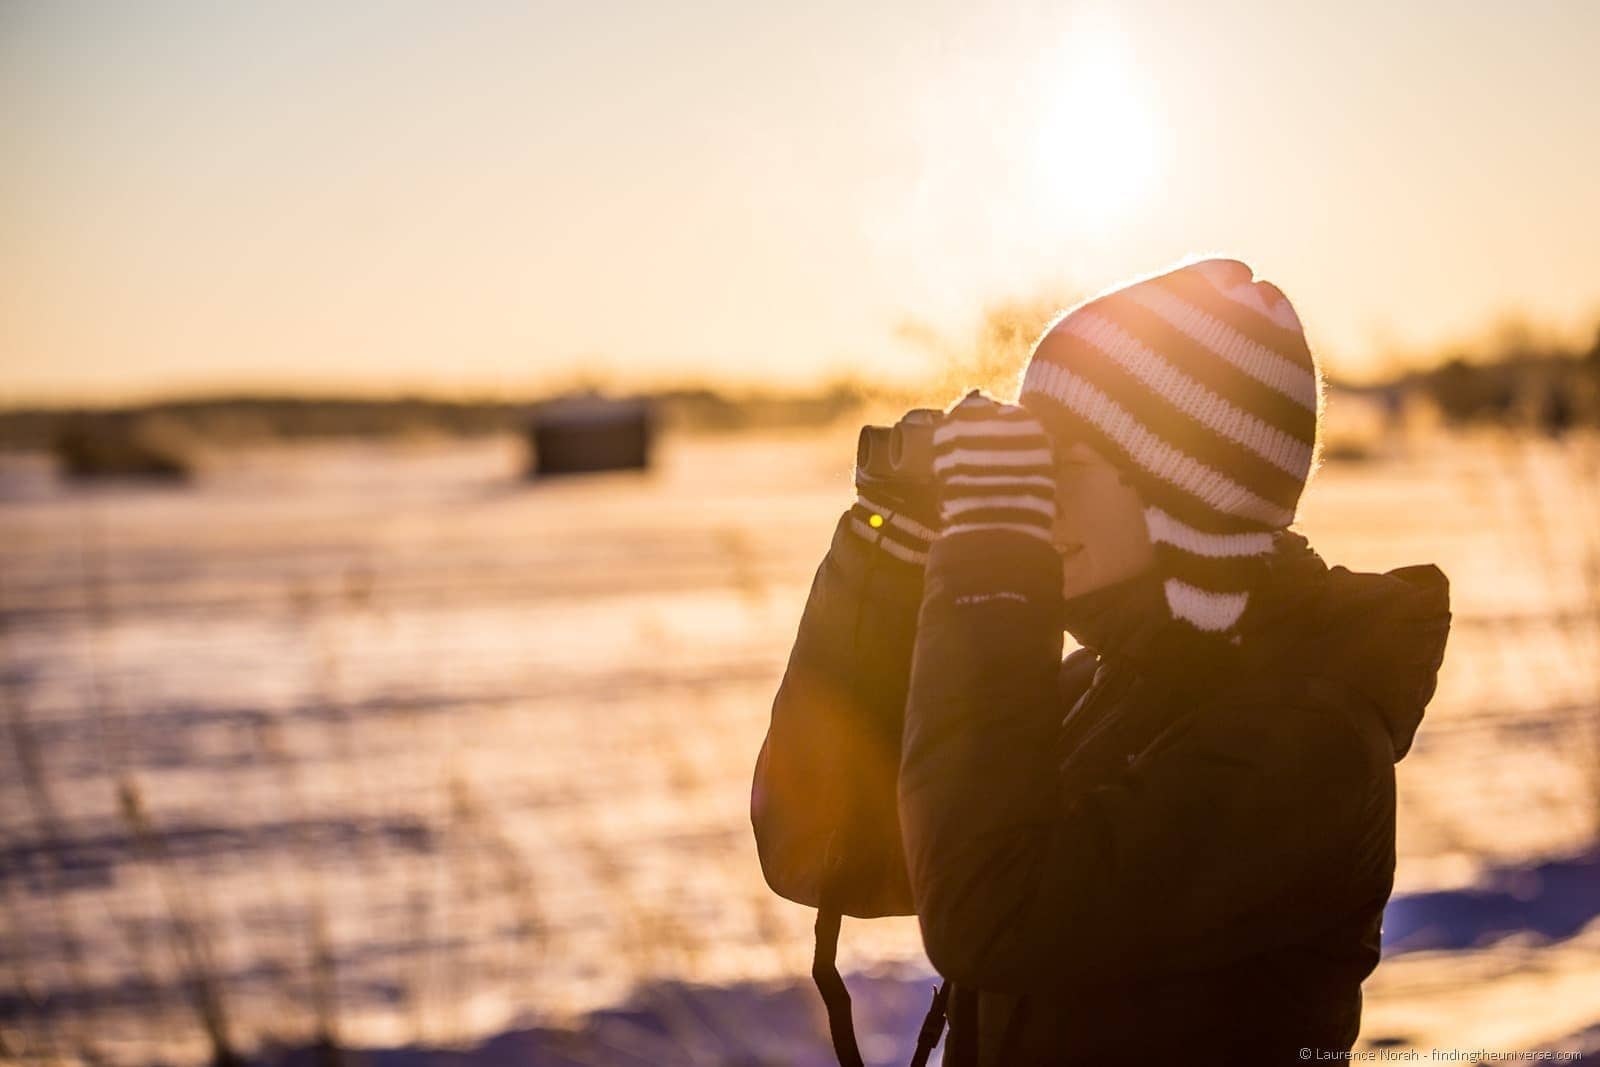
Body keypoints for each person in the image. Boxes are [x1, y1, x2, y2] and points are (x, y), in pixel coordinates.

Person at [751, 257, 1452, 1065]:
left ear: (1182, 497)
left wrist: (992, 569)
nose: (1035, 497)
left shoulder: (1307, 744)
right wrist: (896, 544)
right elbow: (829, 845)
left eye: (1062, 466)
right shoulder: (1108, 688)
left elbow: (992, 914)